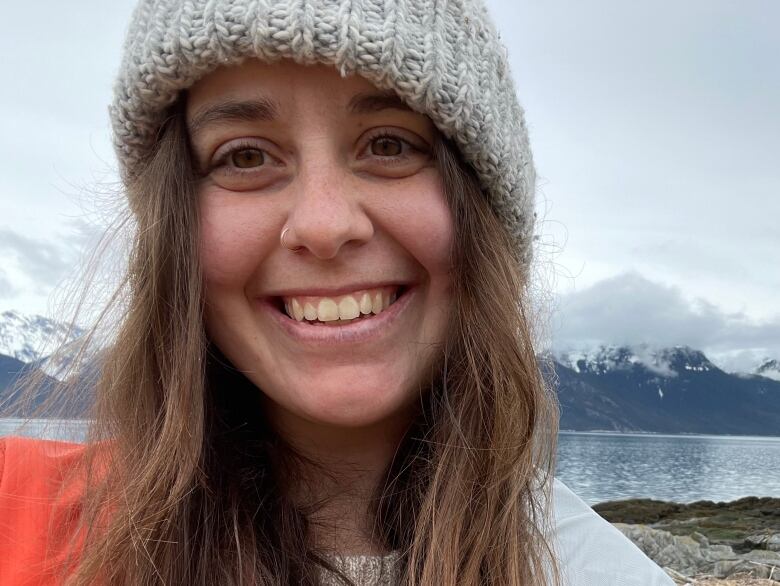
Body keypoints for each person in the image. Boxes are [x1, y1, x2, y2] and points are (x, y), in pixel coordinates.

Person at [0, 1, 674, 584]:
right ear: (174, 229)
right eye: (245, 156)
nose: (324, 225)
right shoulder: (20, 519)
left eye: (389, 143)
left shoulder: (597, 573)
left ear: (482, 210)